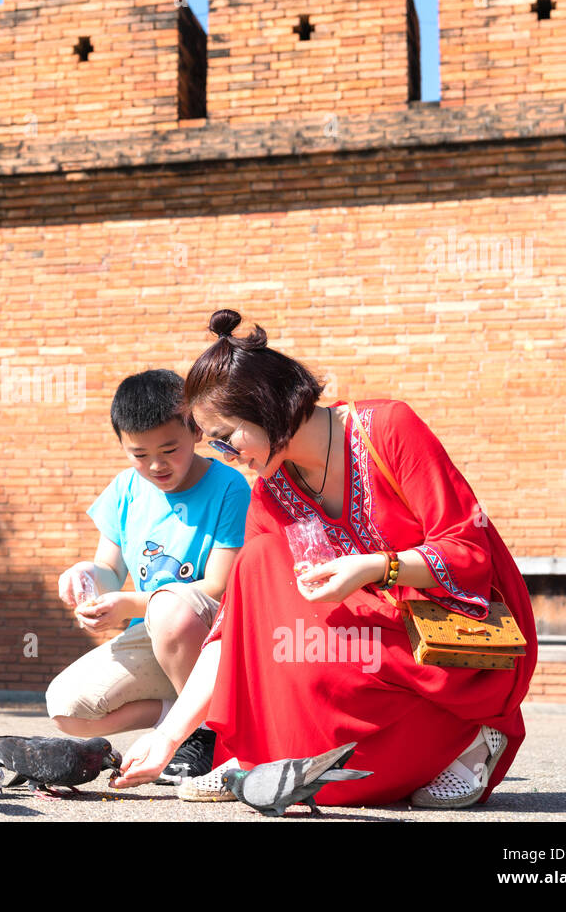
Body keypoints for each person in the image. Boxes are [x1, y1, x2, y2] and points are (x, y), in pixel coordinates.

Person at [112, 310, 537, 809]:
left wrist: (379, 566)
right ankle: (255, 752)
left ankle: (472, 739)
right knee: (261, 565)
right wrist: (168, 737)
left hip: (447, 637)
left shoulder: (388, 429)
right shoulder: (272, 490)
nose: (226, 454)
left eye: (228, 436)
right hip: (360, 639)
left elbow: (468, 551)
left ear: (266, 405)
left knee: (294, 617)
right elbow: (233, 630)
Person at [46, 369, 249, 783]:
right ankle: (178, 714)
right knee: (65, 709)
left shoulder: (230, 487)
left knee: (171, 609)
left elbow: (217, 586)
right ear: (122, 445)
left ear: (195, 430)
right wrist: (86, 577)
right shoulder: (125, 489)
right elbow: (109, 569)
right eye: (139, 454)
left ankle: (206, 735)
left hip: (209, 635)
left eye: (169, 449)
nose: (155, 465)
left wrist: (130, 604)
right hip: (155, 636)